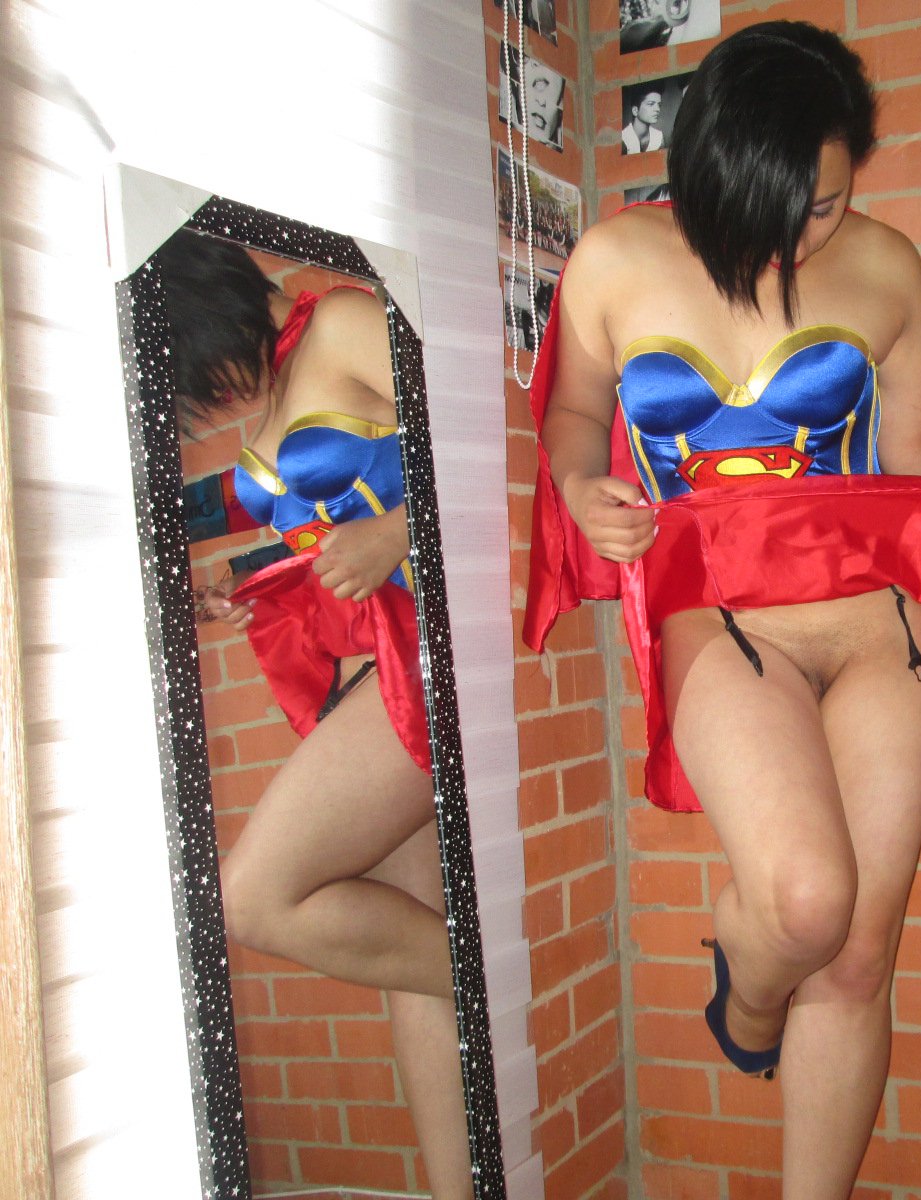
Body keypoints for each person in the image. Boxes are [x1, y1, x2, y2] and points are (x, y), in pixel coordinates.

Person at [525, 21, 921, 1197]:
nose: (795, 236)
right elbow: (573, 414)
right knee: (805, 903)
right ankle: (745, 987)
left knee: (860, 956)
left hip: (882, 622)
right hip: (723, 619)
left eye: (823, 206)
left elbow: (917, 442)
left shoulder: (884, 262)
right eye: (772, 207)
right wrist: (581, 487)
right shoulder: (614, 261)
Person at [155, 230, 471, 1198]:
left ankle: (498, 978)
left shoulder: (337, 323)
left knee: (253, 897)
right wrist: (241, 580)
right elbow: (313, 528)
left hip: (424, 659)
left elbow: (485, 431)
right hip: (361, 669)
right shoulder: (270, 400)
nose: (219, 394)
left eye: (211, 364)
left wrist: (396, 531)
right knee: (413, 959)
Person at [620, 88, 664, 153]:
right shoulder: (623, 138)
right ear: (635, 111)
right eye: (651, 104)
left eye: (659, 105)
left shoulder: (659, 137)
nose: (658, 109)